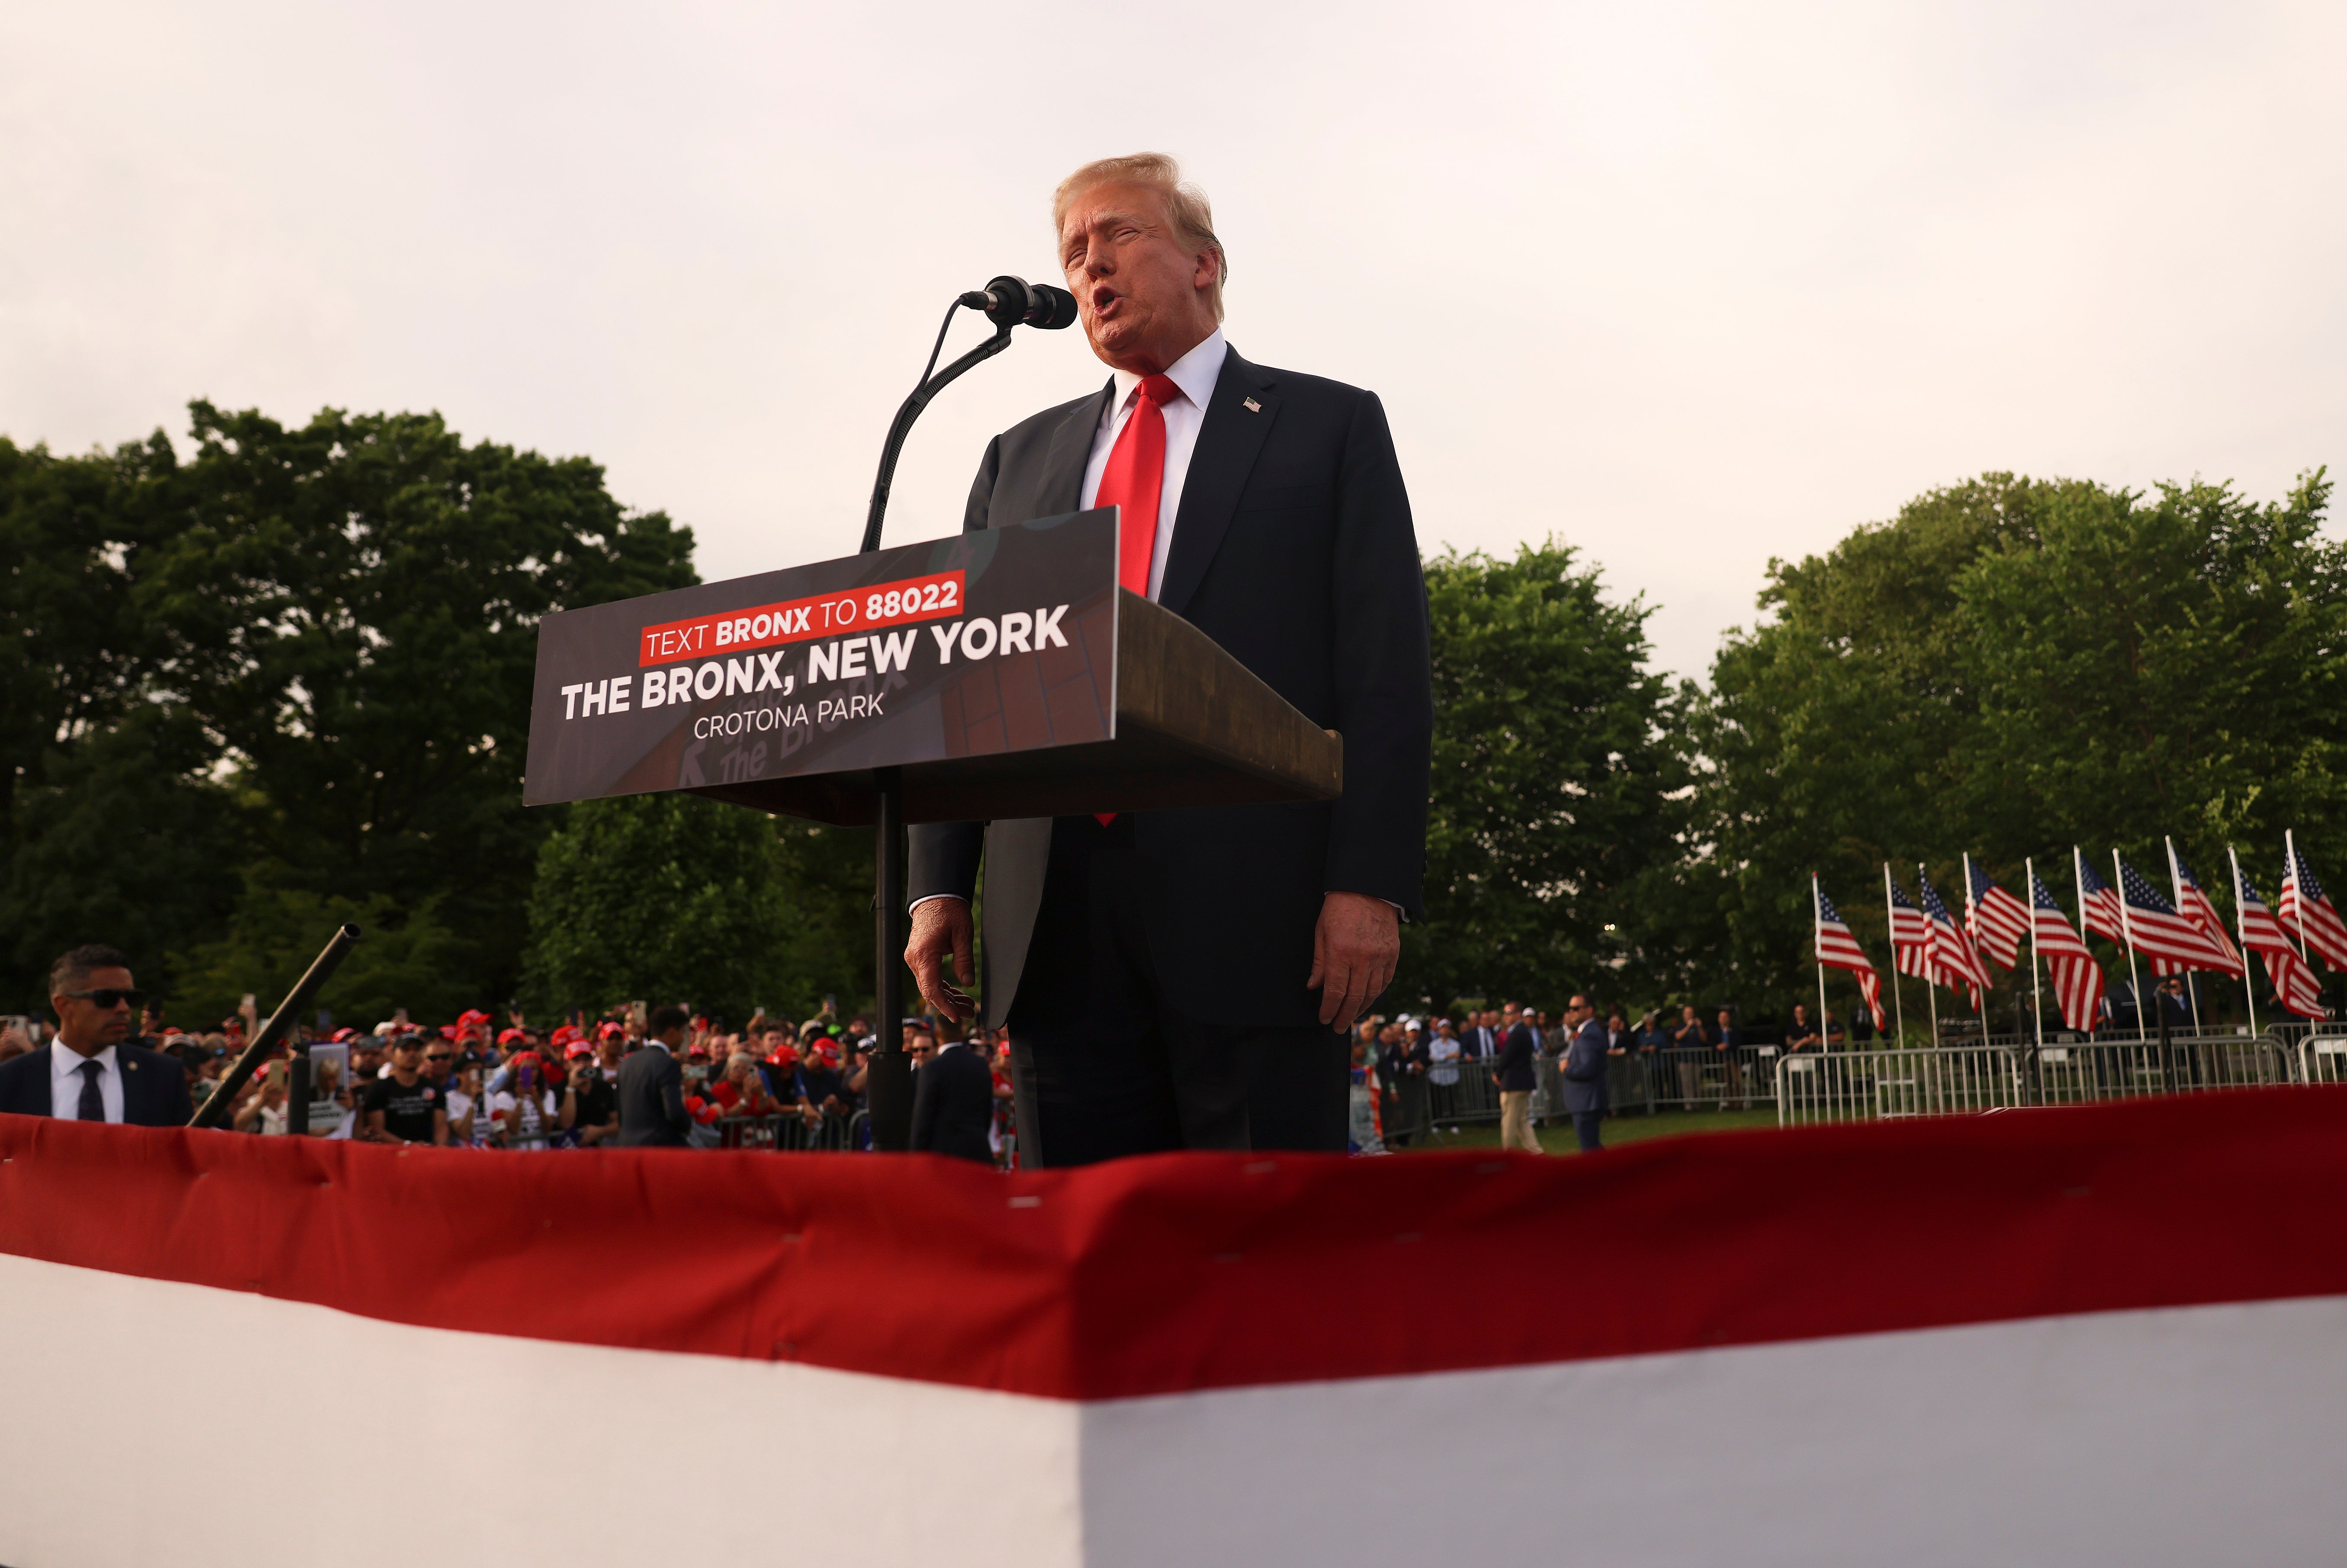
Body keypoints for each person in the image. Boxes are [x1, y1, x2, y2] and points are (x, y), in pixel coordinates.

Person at [904, 153, 1433, 1167]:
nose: (1088, 264)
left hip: (1259, 913)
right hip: (1055, 921)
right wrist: (938, 884)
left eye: (1117, 234)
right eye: (1071, 251)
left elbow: (1384, 671)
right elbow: (963, 682)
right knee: (1097, 1256)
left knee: (1263, 1253)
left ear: (1204, 263)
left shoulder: (1326, 427)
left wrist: (1366, 883)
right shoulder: (1016, 461)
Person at [0, 945, 194, 1125]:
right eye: (107, 998)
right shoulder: (11, 1080)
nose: (124, 1008)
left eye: (130, 998)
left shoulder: (163, 1076)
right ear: (64, 1005)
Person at [910, 1027, 998, 1165]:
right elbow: (987, 1110)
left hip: (944, 1155)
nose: (920, 1054)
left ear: (937, 1041)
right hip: (975, 1150)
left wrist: (915, 1157)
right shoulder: (980, 1064)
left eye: (925, 1049)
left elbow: (923, 1117)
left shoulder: (932, 1069)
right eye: (915, 1050)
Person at [618, 1005, 691, 1147]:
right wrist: (688, 1124)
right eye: (683, 1032)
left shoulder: (627, 1063)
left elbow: (621, 1112)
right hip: (658, 1148)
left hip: (626, 1147)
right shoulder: (668, 1064)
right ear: (672, 1032)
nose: (683, 1038)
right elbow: (674, 1112)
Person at [361, 1034, 449, 1146]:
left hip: (425, 1152)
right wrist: (408, 1145)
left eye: (417, 1050)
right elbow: (377, 1129)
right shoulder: (379, 1088)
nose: (412, 1054)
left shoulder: (433, 1087)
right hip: (390, 1154)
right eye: (405, 1050)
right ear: (393, 1055)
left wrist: (440, 1152)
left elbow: (441, 1127)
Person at [1559, 994, 1609, 1153]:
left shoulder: (1589, 1034)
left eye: (1576, 1008)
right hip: (1586, 1101)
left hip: (1586, 1101)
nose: (1571, 1012)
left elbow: (1588, 1069)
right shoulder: (1587, 1032)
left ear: (1589, 1010)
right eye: (1570, 1008)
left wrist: (1567, 1069)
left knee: (1590, 1150)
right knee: (1592, 1147)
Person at [1492, 1006, 1539, 1154]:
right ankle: (1537, 1153)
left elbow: (1507, 1056)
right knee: (1521, 1121)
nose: (1505, 1016)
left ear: (1518, 1014)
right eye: (1505, 1012)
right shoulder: (1523, 1032)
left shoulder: (1517, 1032)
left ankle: (1509, 1157)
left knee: (1509, 1123)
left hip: (1513, 1084)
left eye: (1509, 1012)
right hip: (1521, 1083)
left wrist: (1498, 1074)